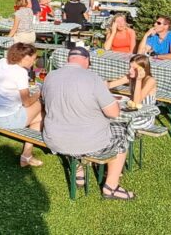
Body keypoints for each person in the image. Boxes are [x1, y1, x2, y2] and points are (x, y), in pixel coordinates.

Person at [42, 47, 135, 199]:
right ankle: (111, 187)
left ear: (69, 59)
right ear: (86, 60)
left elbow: (46, 102)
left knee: (74, 122)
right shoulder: (93, 78)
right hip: (85, 142)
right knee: (122, 131)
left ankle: (79, 171)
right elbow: (113, 113)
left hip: (54, 139)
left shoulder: (50, 76)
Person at [0, 42, 43, 167]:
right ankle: (27, 155)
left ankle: (26, 156)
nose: (34, 62)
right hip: (8, 119)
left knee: (40, 117)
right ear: (26, 57)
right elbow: (27, 102)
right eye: (34, 59)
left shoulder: (1, 62)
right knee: (41, 106)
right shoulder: (20, 72)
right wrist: (39, 93)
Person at [107, 54, 157, 126]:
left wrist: (139, 80)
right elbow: (111, 85)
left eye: (134, 68)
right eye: (130, 67)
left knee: (114, 122)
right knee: (107, 118)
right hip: (131, 112)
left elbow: (137, 102)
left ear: (142, 70)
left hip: (144, 116)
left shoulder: (150, 81)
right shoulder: (131, 77)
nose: (130, 70)